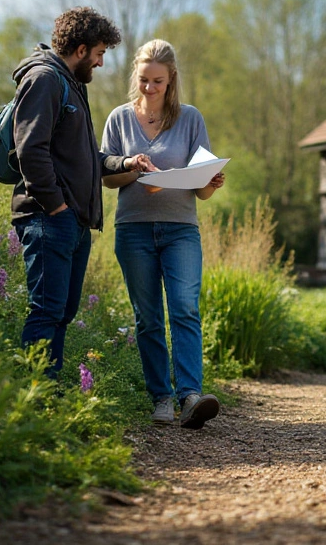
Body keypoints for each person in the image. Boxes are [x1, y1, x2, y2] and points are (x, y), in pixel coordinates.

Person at [12, 7, 151, 381]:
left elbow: (86, 158)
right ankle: (35, 400)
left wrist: (126, 164)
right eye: (100, 54)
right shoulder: (44, 79)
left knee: (62, 313)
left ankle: (49, 397)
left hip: (72, 223)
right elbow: (30, 150)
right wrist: (56, 206)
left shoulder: (72, 85)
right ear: (81, 49)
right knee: (46, 311)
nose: (102, 63)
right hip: (48, 218)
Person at [101, 39, 224, 429]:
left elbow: (200, 190)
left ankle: (190, 395)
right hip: (134, 229)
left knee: (184, 308)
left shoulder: (190, 119)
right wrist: (134, 167)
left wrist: (211, 183)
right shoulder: (119, 119)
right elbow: (107, 178)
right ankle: (161, 398)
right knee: (148, 317)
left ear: (171, 80)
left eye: (158, 81)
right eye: (143, 80)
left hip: (180, 230)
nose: (150, 88)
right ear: (135, 77)